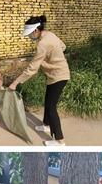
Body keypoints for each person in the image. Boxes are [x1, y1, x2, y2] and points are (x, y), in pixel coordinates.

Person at [8, 15, 70, 146]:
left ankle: (60, 141)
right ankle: (46, 125)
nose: (29, 37)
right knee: (48, 102)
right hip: (56, 74)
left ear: (36, 31)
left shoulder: (43, 44)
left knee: (51, 107)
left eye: (30, 34)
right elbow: (63, 46)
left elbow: (32, 69)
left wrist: (15, 83)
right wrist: (54, 57)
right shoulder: (49, 35)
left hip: (58, 76)